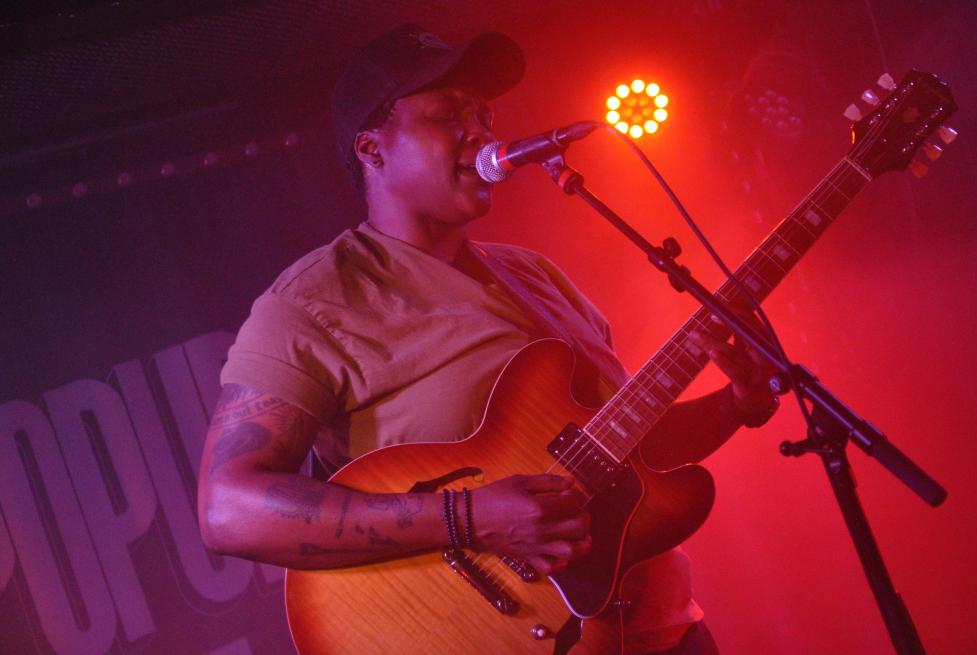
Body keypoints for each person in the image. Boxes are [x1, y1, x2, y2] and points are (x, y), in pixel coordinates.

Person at [198, 24, 780, 655]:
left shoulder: (537, 276)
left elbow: (619, 458)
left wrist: (738, 404)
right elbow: (229, 509)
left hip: (662, 631)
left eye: (484, 114)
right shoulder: (314, 301)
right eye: (448, 114)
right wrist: (470, 517)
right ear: (372, 148)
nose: (480, 132)